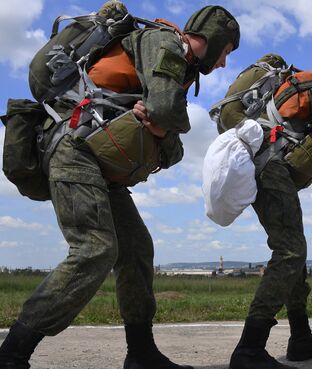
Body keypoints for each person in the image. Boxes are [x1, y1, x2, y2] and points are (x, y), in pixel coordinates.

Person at [0, 2, 239, 369]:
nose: (223, 63)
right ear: (213, 37)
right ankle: (12, 354)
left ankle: (140, 353)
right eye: (225, 52)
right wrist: (158, 122)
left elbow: (172, 149)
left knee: (137, 249)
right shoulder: (165, 43)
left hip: (100, 165)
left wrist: (160, 127)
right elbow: (162, 111)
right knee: (95, 248)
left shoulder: (181, 69)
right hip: (74, 147)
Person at [214, 56, 312, 369]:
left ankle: (300, 338)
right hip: (271, 168)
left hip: (263, 164)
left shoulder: (311, 88)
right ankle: (249, 349)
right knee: (290, 252)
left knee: (294, 254)